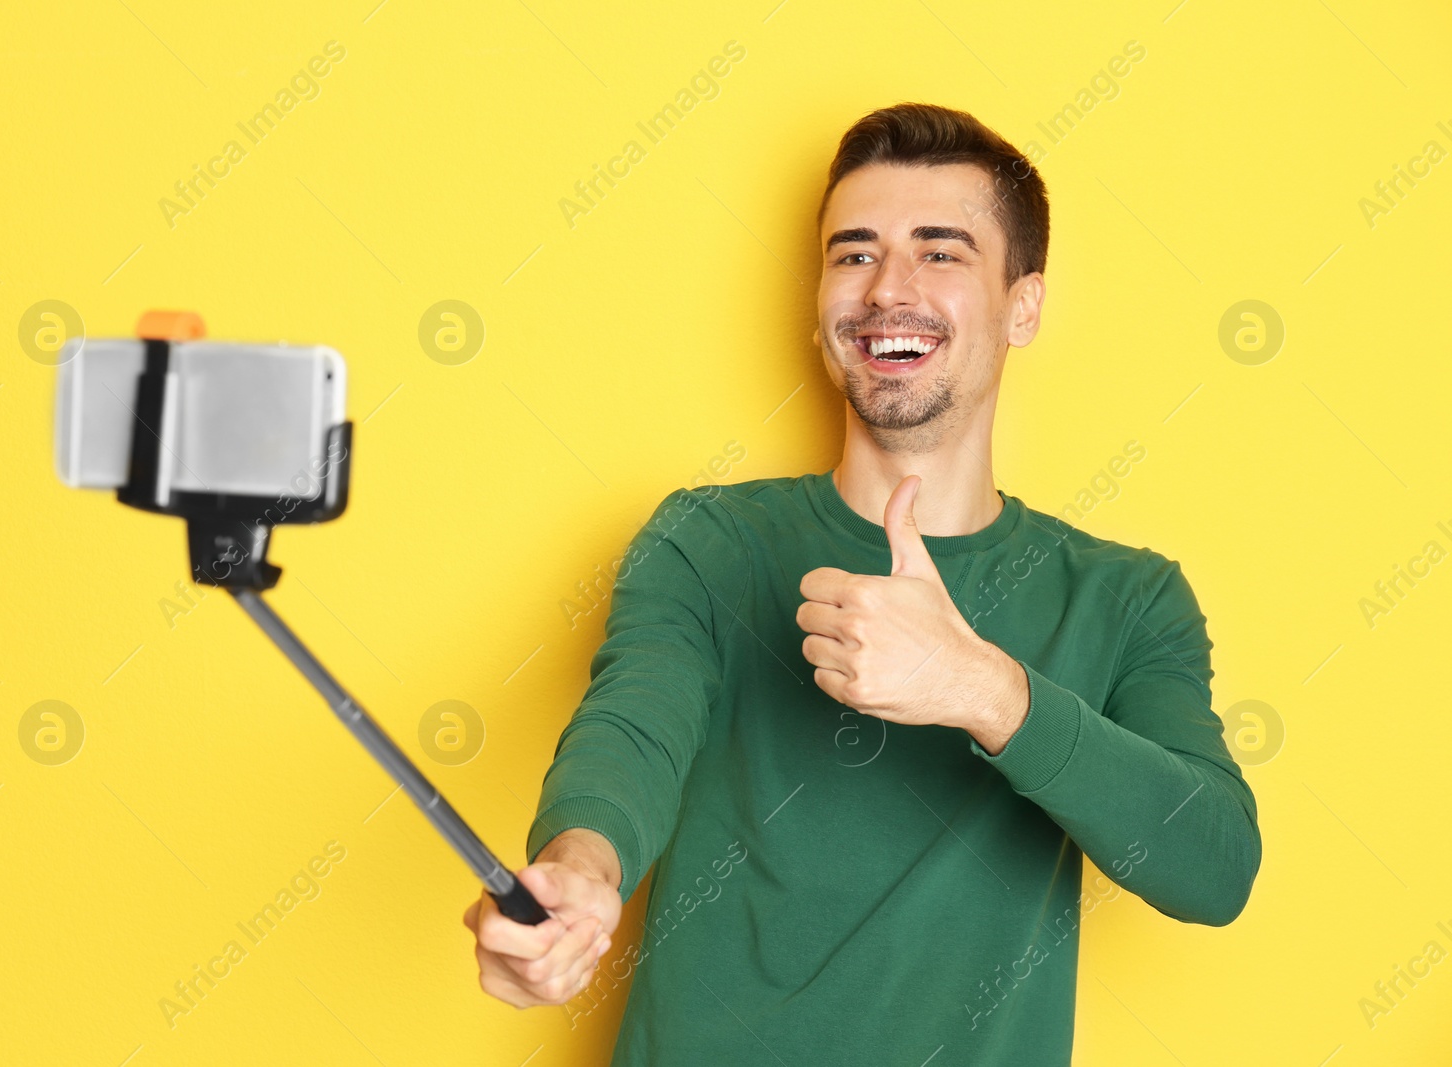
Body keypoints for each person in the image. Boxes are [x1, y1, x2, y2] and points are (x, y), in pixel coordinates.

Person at [462, 101, 1261, 1065]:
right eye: (854, 253)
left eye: (941, 251)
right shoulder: (708, 541)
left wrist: (979, 687)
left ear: (1024, 304)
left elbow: (1214, 866)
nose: (888, 288)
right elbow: (631, 732)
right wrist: (578, 874)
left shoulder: (1129, 599)